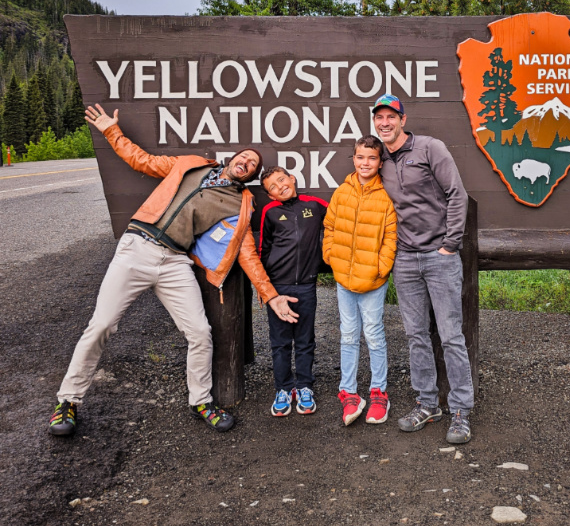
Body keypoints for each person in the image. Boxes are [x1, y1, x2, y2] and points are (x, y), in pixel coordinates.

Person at [48, 103, 299, 438]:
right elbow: (142, 160)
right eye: (245, 156)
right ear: (232, 158)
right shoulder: (189, 165)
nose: (247, 162)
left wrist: (271, 297)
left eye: (253, 165)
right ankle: (68, 400)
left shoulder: (240, 206)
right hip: (137, 247)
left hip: (175, 261)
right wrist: (111, 129)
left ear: (251, 177)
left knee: (199, 332)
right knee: (102, 325)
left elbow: (248, 256)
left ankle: (201, 401)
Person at [372, 94, 473, 444]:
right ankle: (428, 403)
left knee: (450, 336)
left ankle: (461, 411)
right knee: (416, 336)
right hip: (405, 259)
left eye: (390, 116)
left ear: (403, 118)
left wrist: (450, 245)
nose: (384, 122)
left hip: (438, 256)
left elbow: (457, 195)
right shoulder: (379, 158)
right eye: (378, 117)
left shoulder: (430, 148)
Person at [323, 135, 397, 426]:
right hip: (344, 276)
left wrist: (381, 267)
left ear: (380, 162)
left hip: (373, 279)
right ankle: (349, 392)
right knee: (349, 335)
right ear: (353, 159)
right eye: (360, 157)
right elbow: (329, 226)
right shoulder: (342, 192)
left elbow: (391, 236)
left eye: (372, 158)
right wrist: (330, 255)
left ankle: (379, 392)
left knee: (374, 334)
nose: (365, 163)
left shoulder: (386, 195)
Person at [259, 167, 327, 417]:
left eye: (281, 180)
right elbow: (263, 250)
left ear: (292, 179)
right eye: (272, 187)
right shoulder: (270, 212)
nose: (279, 187)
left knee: (305, 340)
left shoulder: (314, 204)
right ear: (270, 195)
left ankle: (305, 386)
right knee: (280, 342)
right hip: (278, 288)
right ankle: (284, 389)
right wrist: (265, 288)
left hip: (307, 285)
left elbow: (341, 220)